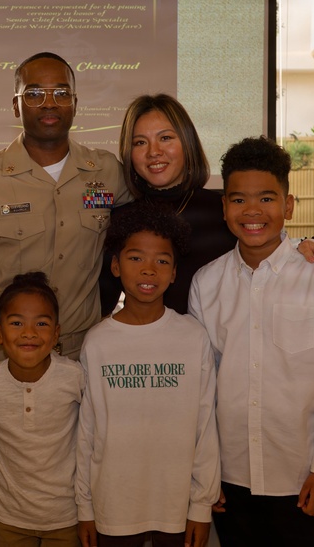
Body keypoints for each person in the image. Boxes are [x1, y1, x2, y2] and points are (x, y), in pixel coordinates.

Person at [0, 51, 130, 546]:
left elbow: (153, 239)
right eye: (35, 93)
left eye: (61, 92)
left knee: (91, 489)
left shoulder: (107, 173)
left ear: (76, 102)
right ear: (15, 104)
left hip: (83, 361)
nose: (49, 103)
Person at [188, 136, 314, 547]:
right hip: (228, 477)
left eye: (266, 198)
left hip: (298, 475)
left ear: (288, 205)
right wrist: (205, 473)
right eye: (238, 199)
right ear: (224, 206)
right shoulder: (206, 283)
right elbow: (200, 392)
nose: (252, 211)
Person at [100, 93, 314, 317]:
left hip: (223, 352)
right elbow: (103, 303)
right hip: (152, 354)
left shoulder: (223, 210)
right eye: (140, 142)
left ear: (187, 142)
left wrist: (307, 244)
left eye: (165, 138)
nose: (154, 151)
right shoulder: (121, 219)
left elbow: (270, 248)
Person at [76, 199, 218, 547]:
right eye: (135, 257)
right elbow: (86, 431)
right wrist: (85, 507)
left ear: (173, 273)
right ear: (115, 265)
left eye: (162, 261)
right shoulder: (97, 342)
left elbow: (205, 425)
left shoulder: (193, 336)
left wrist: (201, 505)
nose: (148, 269)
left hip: (176, 506)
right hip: (112, 505)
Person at [0, 272, 85, 547]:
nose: (29, 333)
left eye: (41, 323)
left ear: (56, 334)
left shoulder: (75, 378)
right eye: (17, 323)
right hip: (10, 519)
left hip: (67, 518)